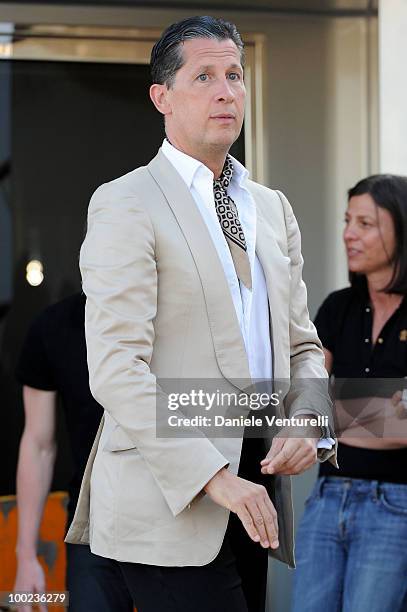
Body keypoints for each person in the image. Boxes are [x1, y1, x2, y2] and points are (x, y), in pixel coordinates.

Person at [66, 16, 337, 612]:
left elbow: (302, 346)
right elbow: (116, 368)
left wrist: (308, 419)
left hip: (258, 481)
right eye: (205, 76)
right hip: (169, 497)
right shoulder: (125, 201)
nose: (226, 91)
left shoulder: (270, 206)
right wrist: (214, 477)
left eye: (235, 75)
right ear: (161, 97)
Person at [292, 174, 407, 612]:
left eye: (365, 223)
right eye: (347, 221)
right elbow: (301, 396)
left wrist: (326, 413)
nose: (348, 234)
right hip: (327, 495)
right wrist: (384, 406)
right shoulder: (338, 306)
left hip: (396, 503)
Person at [13, 293, 133, 612]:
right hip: (94, 528)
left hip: (180, 523)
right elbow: (38, 446)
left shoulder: (181, 317)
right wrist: (25, 556)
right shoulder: (55, 325)